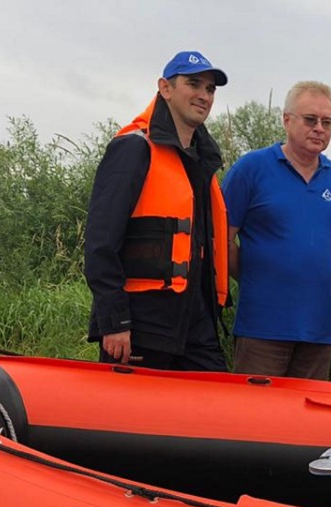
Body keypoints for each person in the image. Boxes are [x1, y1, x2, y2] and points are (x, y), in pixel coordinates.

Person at [83, 51, 231, 370]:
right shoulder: (133, 148)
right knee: (129, 419)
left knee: (210, 408)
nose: (204, 96)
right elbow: (100, 242)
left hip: (195, 322)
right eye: (194, 84)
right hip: (140, 323)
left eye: (210, 89)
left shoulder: (202, 160)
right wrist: (114, 321)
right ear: (165, 88)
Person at [221, 81, 331, 380]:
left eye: (327, 123)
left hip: (317, 329)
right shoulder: (251, 168)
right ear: (287, 120)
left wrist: (314, 276)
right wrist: (254, 275)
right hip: (261, 327)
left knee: (307, 421)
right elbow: (220, 239)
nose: (319, 129)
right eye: (310, 119)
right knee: (255, 419)